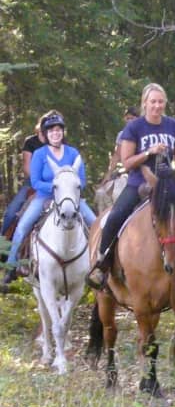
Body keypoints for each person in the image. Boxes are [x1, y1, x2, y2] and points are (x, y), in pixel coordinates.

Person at [87, 83, 175, 288]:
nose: (157, 106)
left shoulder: (172, 125)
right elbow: (126, 162)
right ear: (145, 103)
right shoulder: (134, 128)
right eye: (153, 102)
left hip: (167, 185)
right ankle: (102, 263)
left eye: (161, 102)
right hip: (138, 184)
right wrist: (149, 152)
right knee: (116, 215)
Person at [3, 113, 97, 286]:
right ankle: (11, 266)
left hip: (70, 198)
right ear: (46, 134)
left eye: (58, 130)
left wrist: (67, 189)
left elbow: (81, 181)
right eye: (52, 131)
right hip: (43, 197)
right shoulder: (40, 154)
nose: (55, 133)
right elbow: (36, 181)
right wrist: (56, 187)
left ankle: (100, 265)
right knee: (22, 226)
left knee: (96, 223)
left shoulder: (73, 153)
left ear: (63, 132)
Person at [1, 113, 48, 236]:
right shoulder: (31, 142)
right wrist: (38, 183)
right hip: (32, 182)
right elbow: (27, 167)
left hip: (50, 184)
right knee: (11, 211)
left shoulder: (54, 142)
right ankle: (2, 241)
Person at [102, 105, 139, 179]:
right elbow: (117, 155)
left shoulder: (143, 133)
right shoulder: (121, 134)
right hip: (126, 169)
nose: (129, 121)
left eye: (132, 118)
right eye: (127, 118)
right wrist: (109, 173)